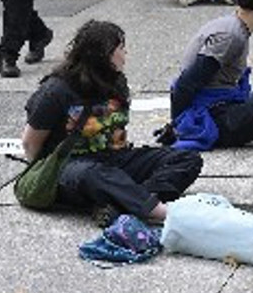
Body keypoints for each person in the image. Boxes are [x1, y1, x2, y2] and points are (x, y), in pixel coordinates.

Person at [21, 21, 203, 225]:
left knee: (187, 159)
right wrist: (46, 175)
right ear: (104, 55)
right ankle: (153, 209)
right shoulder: (56, 90)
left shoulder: (116, 82)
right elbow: (30, 143)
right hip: (71, 168)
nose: (125, 54)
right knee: (94, 174)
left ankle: (119, 204)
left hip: (115, 159)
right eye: (121, 49)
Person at [164, 0, 253, 151]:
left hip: (219, 106)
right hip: (213, 117)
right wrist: (180, 126)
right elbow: (185, 84)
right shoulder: (230, 36)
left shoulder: (233, 25)